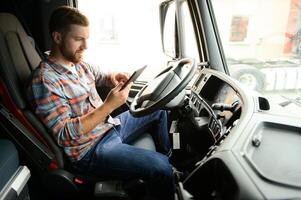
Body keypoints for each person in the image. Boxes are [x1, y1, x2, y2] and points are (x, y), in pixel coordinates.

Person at [27, 5, 174, 200]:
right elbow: (64, 134)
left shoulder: (78, 64)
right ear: (57, 37)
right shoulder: (45, 80)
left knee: (157, 108)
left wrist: (114, 76)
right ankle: (166, 172)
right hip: (91, 150)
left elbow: (102, 76)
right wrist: (108, 106)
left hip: (109, 128)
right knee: (162, 168)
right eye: (79, 39)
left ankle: (169, 160)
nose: (85, 46)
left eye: (86, 39)